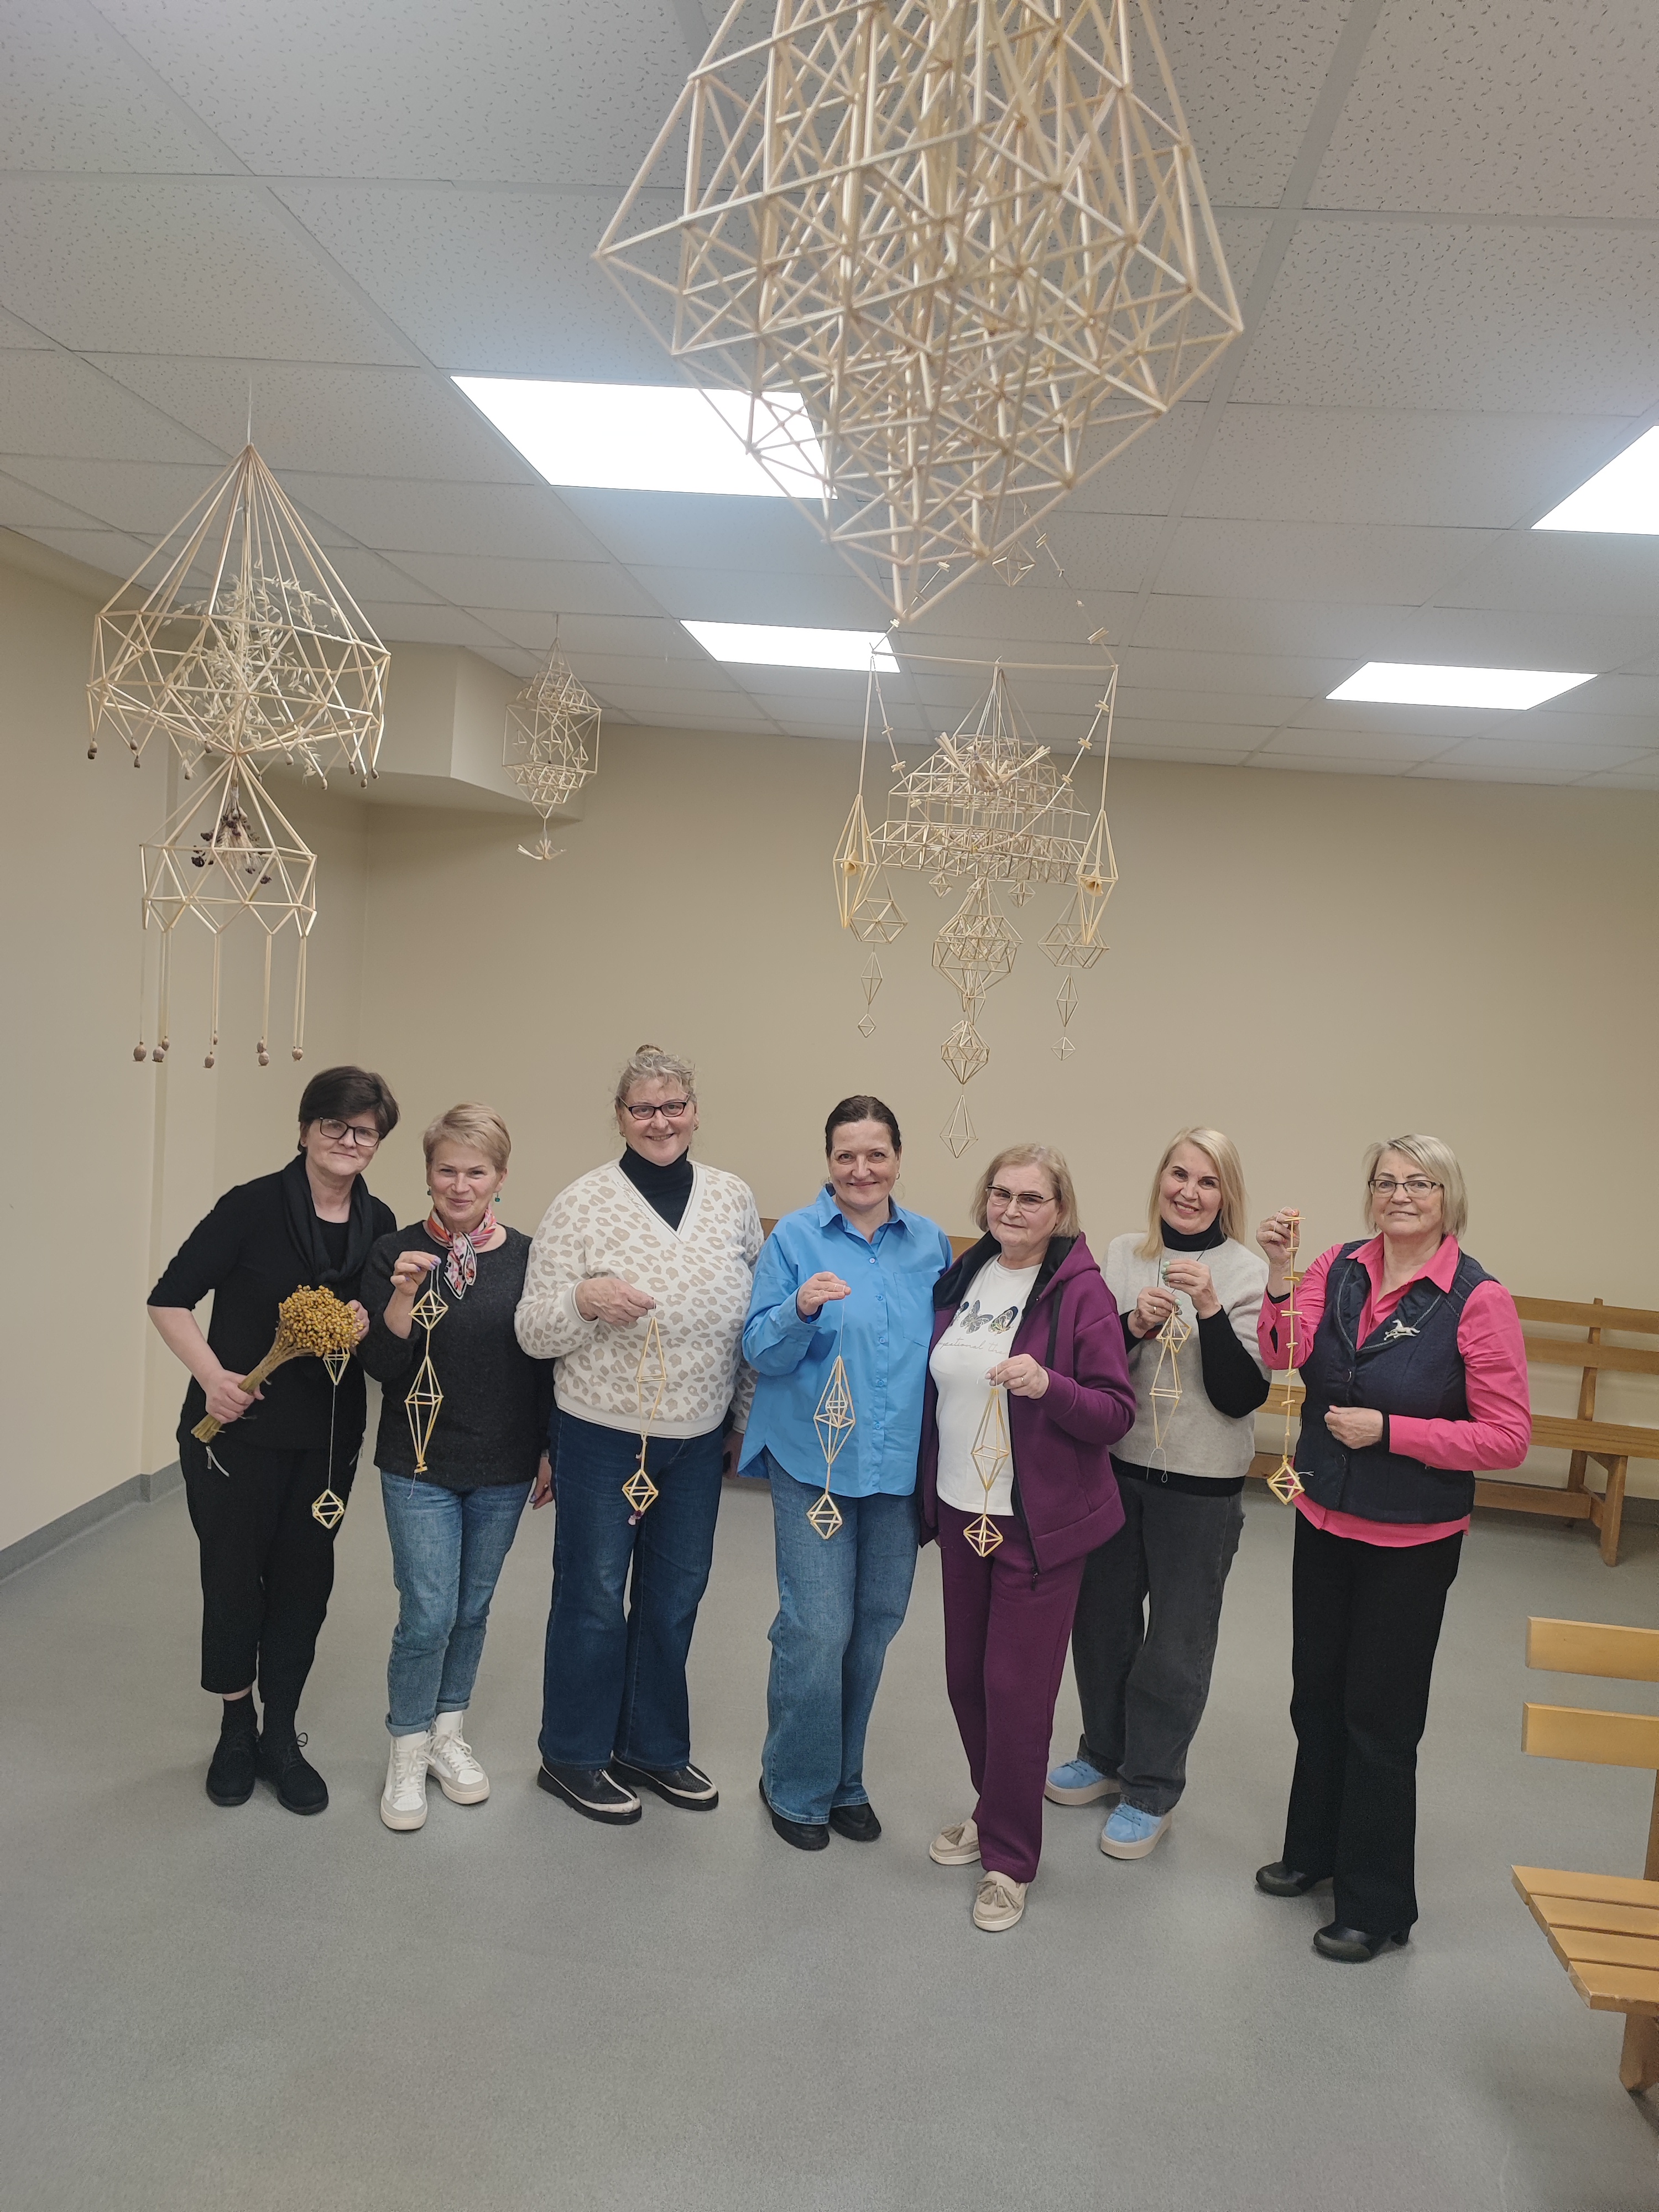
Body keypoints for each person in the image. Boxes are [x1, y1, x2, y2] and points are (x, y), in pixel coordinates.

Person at [1253, 1134, 1530, 1961]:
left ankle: (1377, 1906)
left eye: (1420, 1182)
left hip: (1410, 1541)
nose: (1400, 1194)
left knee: (1379, 1719)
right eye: (1385, 1181)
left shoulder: (1477, 1298)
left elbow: (1507, 1437)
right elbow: (1285, 1355)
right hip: (1323, 1517)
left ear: (1448, 1198)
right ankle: (1314, 1851)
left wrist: (1393, 1431)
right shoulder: (1336, 1266)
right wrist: (1277, 1275)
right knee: (1316, 1698)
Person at [515, 1045, 761, 1826]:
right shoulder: (582, 1202)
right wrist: (583, 1300)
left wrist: (741, 1419)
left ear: (695, 1111)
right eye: (644, 1108)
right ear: (620, 1117)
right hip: (602, 1433)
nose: (661, 1121)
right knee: (593, 1597)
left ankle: (650, 1747)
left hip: (698, 1436)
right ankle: (572, 1754)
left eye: (674, 1106)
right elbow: (531, 1331)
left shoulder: (732, 1198)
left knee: (674, 1596)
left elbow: (753, 1321)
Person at [148, 1066, 400, 1815]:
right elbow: (169, 1299)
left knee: (303, 1584)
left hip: (326, 1441)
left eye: (365, 1132)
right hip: (235, 1436)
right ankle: (236, 1728)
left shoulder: (379, 1221)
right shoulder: (250, 1207)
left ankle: (281, 1734)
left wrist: (365, 1318)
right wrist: (213, 1377)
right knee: (233, 1581)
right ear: (305, 1129)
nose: (349, 1141)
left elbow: (375, 1326)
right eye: (334, 1125)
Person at [919, 1145, 1136, 1931]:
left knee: (1017, 1692)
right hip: (960, 1511)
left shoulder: (1082, 1292)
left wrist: (1050, 1384)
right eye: (1001, 1194)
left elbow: (1115, 1411)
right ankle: (994, 1807)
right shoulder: (965, 1274)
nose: (1012, 1210)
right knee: (965, 1680)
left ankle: (1010, 1859)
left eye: (1031, 1199)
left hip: (1035, 1526)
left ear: (1060, 1211)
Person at [1047, 1129, 1269, 1860]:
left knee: (1176, 1643)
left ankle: (1151, 1788)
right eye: (1179, 1175)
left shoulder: (1247, 1272)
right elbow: (1089, 1364)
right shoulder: (1122, 1254)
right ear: (1160, 1181)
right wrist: (1133, 1325)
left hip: (1201, 1488)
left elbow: (1241, 1396)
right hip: (1116, 1470)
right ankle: (1104, 1755)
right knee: (1101, 1625)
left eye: (1208, 1182)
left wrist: (1209, 1311)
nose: (1189, 1192)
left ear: (1226, 1196)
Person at [740, 1097, 953, 1851]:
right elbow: (759, 1352)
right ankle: (794, 1784)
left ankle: (844, 1780)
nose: (861, 1170)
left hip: (898, 1465)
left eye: (876, 1154)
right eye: (845, 1155)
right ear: (828, 1161)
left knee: (873, 1627)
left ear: (898, 1158)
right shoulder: (796, 1238)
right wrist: (797, 1310)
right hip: (816, 1464)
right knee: (817, 1627)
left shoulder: (930, 1244)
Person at [359, 1104, 555, 1833]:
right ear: (428, 1174)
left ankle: (447, 1734)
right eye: (447, 1170)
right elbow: (382, 1366)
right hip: (418, 1463)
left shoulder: (530, 1257)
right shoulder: (393, 1252)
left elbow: (546, 1364)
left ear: (500, 1177)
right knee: (428, 1612)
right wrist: (403, 1295)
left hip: (503, 1465)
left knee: (472, 1609)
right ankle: (407, 1748)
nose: (461, 1185)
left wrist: (549, 1450)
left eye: (477, 1171)